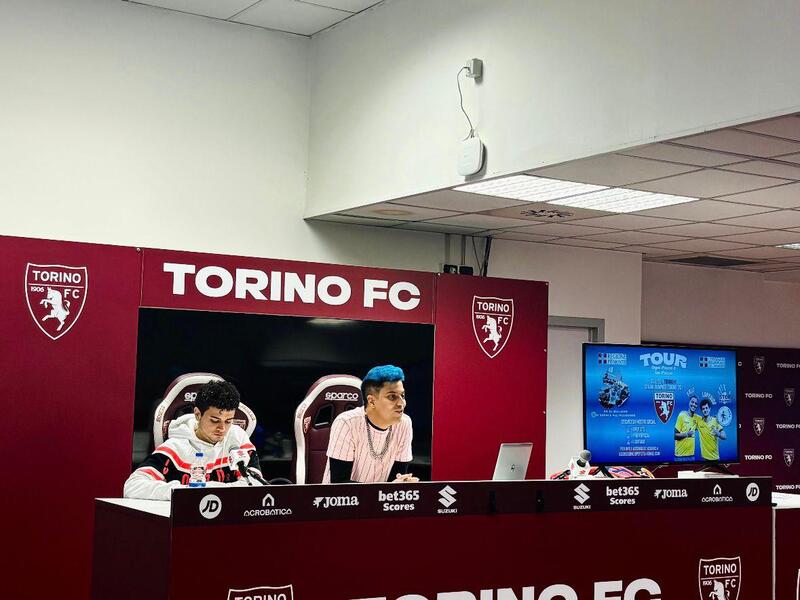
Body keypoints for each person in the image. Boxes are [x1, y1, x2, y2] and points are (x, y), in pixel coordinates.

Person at [124, 380, 263, 500]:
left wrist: (206, 490)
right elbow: (132, 487)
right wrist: (185, 492)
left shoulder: (238, 439)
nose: (222, 428)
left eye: (228, 421)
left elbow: (255, 485)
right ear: (197, 414)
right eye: (215, 420)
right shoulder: (175, 448)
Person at [325, 365, 417, 483]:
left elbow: (398, 477)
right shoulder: (346, 423)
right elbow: (339, 484)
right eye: (392, 397)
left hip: (382, 495)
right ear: (372, 401)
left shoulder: (404, 423)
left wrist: (402, 484)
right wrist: (387, 489)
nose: (401, 403)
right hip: (342, 495)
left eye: (402, 396)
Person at [695, 397, 727, 461]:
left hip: (715, 458)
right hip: (704, 458)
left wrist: (718, 434)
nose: (705, 410)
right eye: (703, 409)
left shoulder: (716, 420)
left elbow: (724, 437)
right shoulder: (699, 422)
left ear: (710, 409)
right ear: (701, 411)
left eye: (706, 408)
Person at [674, 391, 698, 459]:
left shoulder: (697, 418)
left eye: (696, 403)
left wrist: (715, 418)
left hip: (691, 456)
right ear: (689, 402)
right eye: (692, 402)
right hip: (680, 456)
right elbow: (675, 436)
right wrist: (687, 434)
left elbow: (705, 421)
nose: (694, 404)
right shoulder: (682, 415)